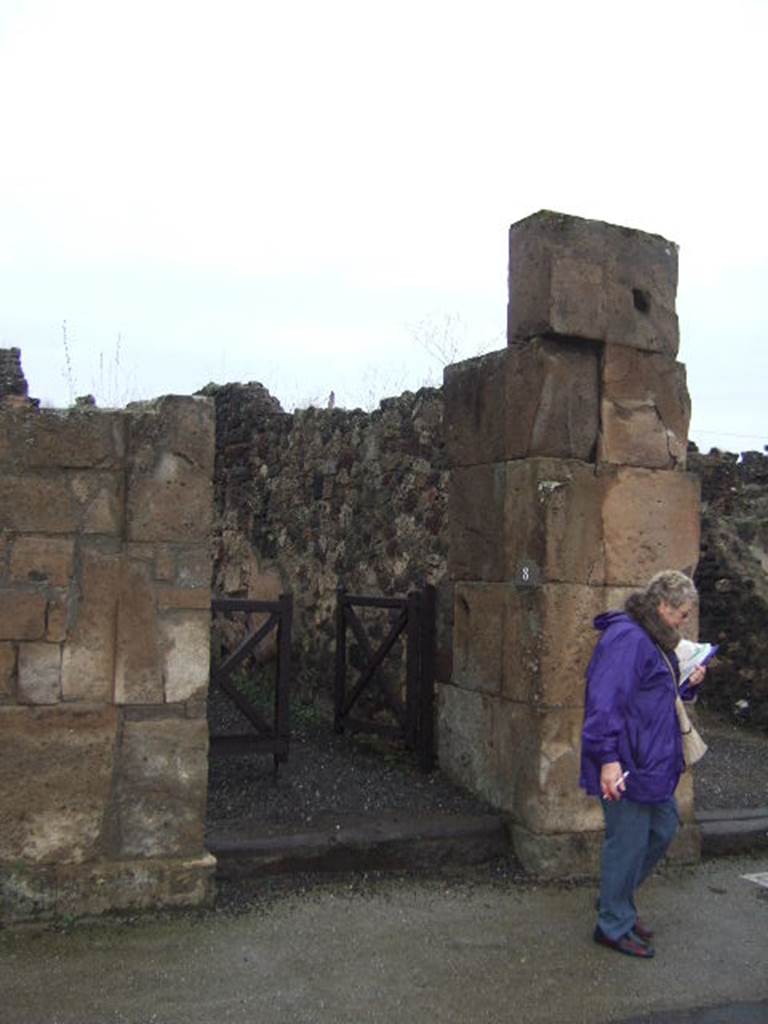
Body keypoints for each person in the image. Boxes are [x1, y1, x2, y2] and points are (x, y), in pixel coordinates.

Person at [580, 570, 707, 959]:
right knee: (628, 842)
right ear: (662, 606)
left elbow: (654, 689)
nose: (684, 621)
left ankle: (615, 899)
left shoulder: (651, 637)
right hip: (628, 761)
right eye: (682, 614)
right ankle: (612, 923)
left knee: (663, 828)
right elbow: (604, 702)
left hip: (649, 761)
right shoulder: (628, 639)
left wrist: (690, 683)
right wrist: (608, 761)